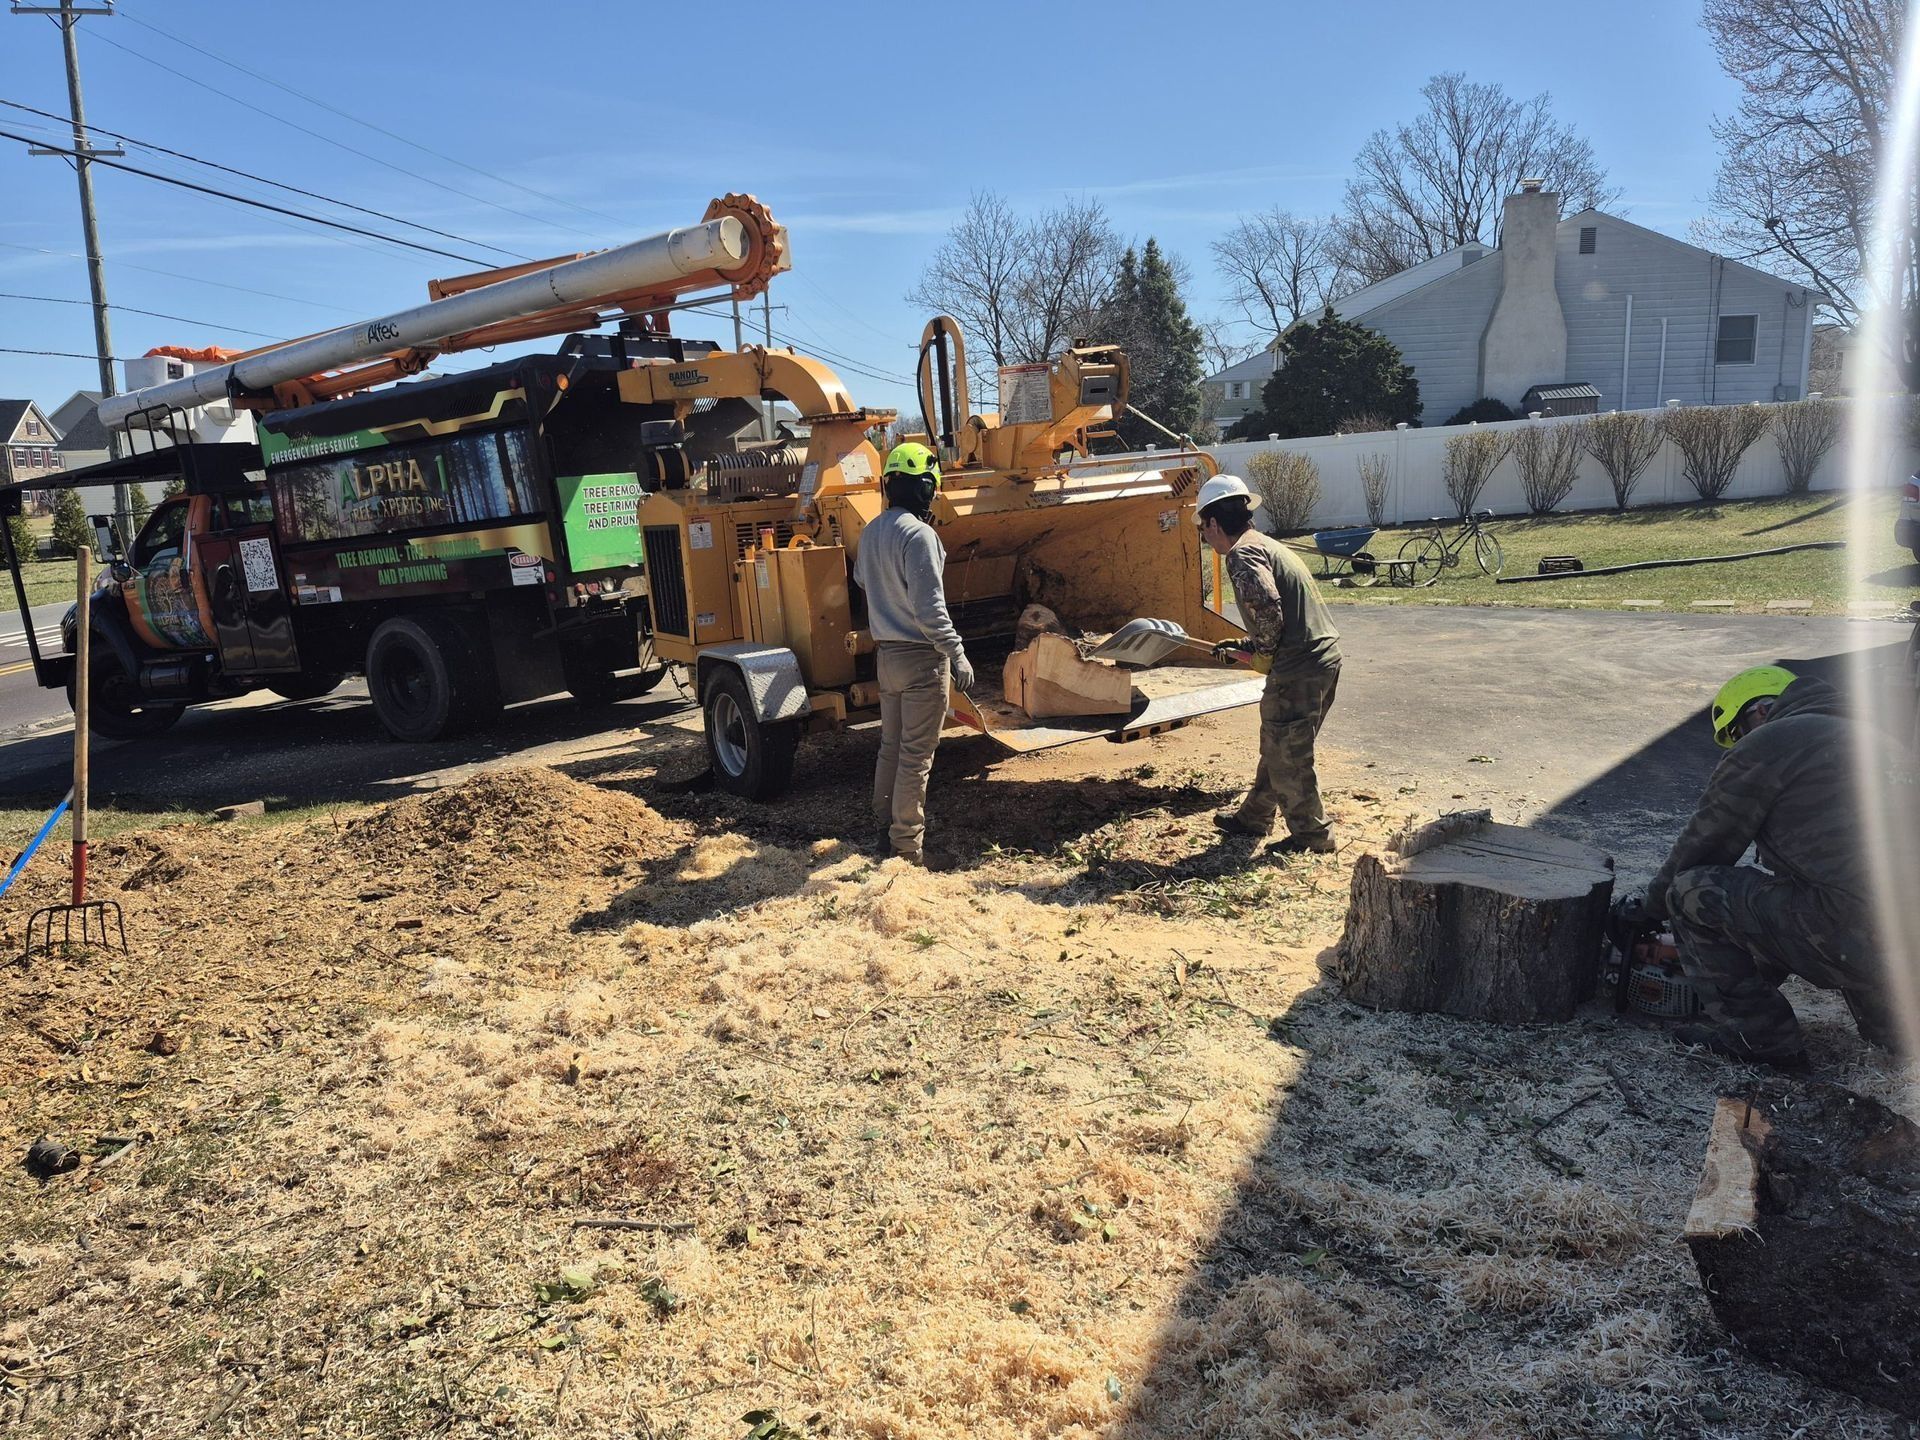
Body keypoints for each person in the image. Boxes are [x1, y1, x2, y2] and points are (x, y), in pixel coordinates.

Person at [1643, 665, 1888, 1067]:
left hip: (1859, 931)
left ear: (1758, 711)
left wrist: (1647, 909)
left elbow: (1705, 844)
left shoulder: (1775, 740)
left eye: (1736, 736)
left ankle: (1763, 1040)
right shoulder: (1877, 739)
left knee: (1691, 891)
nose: (1737, 747)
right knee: (1896, 1044)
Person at [1195, 474, 1343, 854]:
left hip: (1299, 666)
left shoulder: (1242, 553)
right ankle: (1253, 818)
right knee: (1280, 745)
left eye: (1202, 528)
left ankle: (1313, 839)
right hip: (1321, 657)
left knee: (1289, 755)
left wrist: (1260, 652)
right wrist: (1247, 644)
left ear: (1213, 523)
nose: (1204, 538)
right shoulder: (1267, 545)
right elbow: (1281, 611)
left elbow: (1268, 609)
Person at [850, 442, 974, 864]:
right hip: (922, 660)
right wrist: (956, 653)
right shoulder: (920, 535)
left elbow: (864, 581)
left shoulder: (871, 531)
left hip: (887, 658)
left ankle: (882, 834)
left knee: (891, 746)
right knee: (916, 758)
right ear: (926, 489)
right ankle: (907, 851)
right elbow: (929, 608)